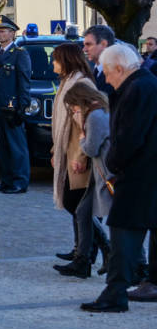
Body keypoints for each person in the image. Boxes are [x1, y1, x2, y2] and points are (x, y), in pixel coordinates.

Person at [81, 44, 157, 312]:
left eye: (109, 74)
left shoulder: (137, 89)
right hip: (147, 172)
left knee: (123, 232)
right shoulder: (145, 84)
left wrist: (113, 163)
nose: (108, 80)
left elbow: (129, 137)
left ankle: (115, 293)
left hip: (139, 174)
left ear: (120, 69)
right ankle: (146, 281)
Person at [48, 42, 104, 272]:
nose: (53, 63)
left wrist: (80, 156)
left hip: (77, 151)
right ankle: (82, 249)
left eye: (56, 59)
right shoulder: (66, 81)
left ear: (67, 60)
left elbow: (85, 124)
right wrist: (55, 150)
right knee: (77, 204)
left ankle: (91, 251)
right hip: (66, 148)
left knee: (78, 204)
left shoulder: (81, 82)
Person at [55, 82, 112, 278]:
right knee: (82, 211)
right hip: (99, 171)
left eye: (73, 106)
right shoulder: (97, 112)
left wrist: (81, 133)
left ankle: (106, 255)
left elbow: (91, 148)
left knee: (87, 212)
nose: (72, 111)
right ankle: (84, 259)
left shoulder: (94, 116)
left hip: (104, 172)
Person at [0, 14, 32, 194]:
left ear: (12, 34)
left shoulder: (19, 54)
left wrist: (22, 107)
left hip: (12, 107)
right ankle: (6, 179)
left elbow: (24, 83)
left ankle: (20, 181)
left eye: (3, 31)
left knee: (16, 146)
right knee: (2, 146)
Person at [83, 25, 116, 96]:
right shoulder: (95, 71)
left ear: (104, 44)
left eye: (88, 44)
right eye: (84, 45)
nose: (84, 49)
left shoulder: (116, 73)